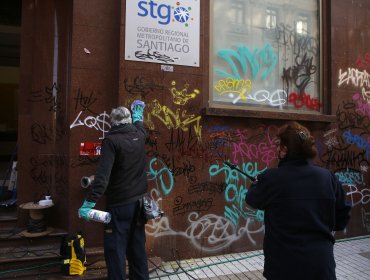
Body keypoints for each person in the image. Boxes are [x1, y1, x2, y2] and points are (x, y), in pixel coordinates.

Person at [244, 121, 351, 280]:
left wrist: (257, 184)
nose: (276, 149)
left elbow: (250, 204)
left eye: (278, 144)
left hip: (283, 267)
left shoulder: (271, 178)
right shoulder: (328, 178)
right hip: (321, 266)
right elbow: (342, 219)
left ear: (285, 149)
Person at [78, 100, 149, 280]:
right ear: (129, 120)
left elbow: (102, 179)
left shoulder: (111, 141)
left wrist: (88, 204)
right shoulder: (140, 135)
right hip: (140, 204)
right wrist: (138, 115)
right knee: (137, 249)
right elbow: (140, 125)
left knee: (115, 251)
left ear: (113, 122)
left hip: (120, 206)